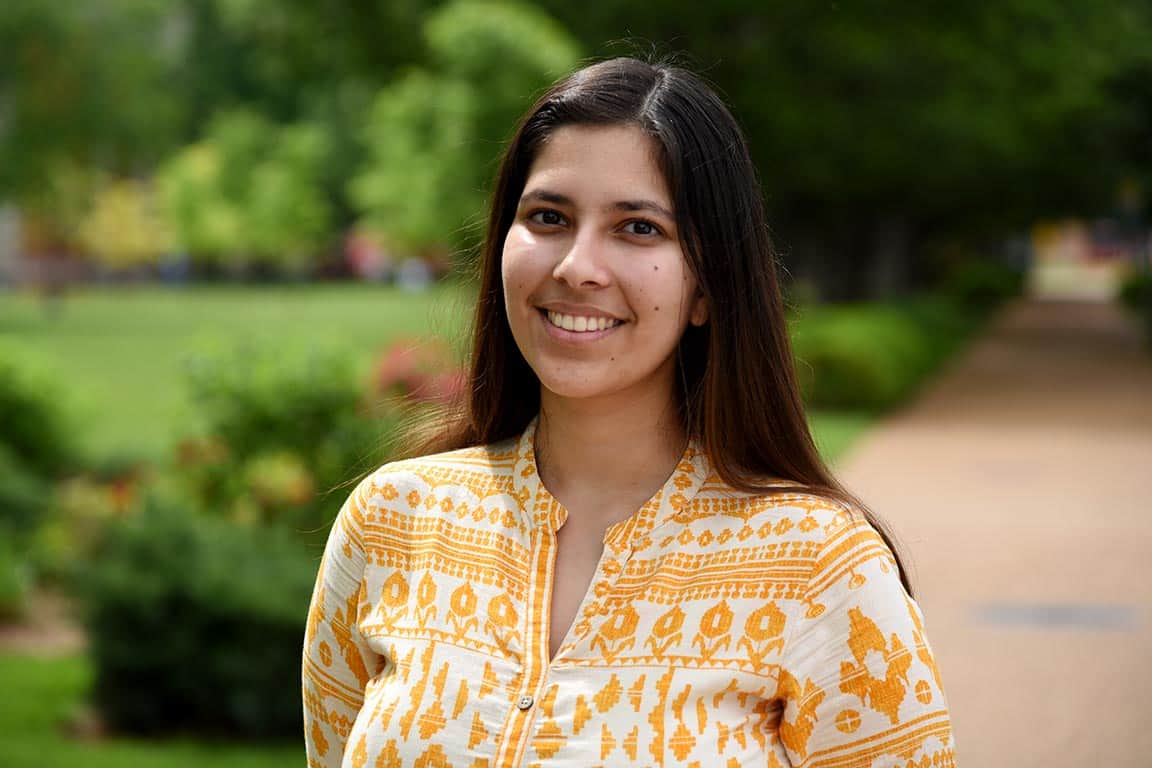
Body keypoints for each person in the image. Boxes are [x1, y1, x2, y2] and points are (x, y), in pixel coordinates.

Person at [302, 57, 954, 767]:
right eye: (548, 217)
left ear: (708, 286)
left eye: (639, 229)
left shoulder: (822, 565)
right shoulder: (393, 521)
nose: (578, 265)